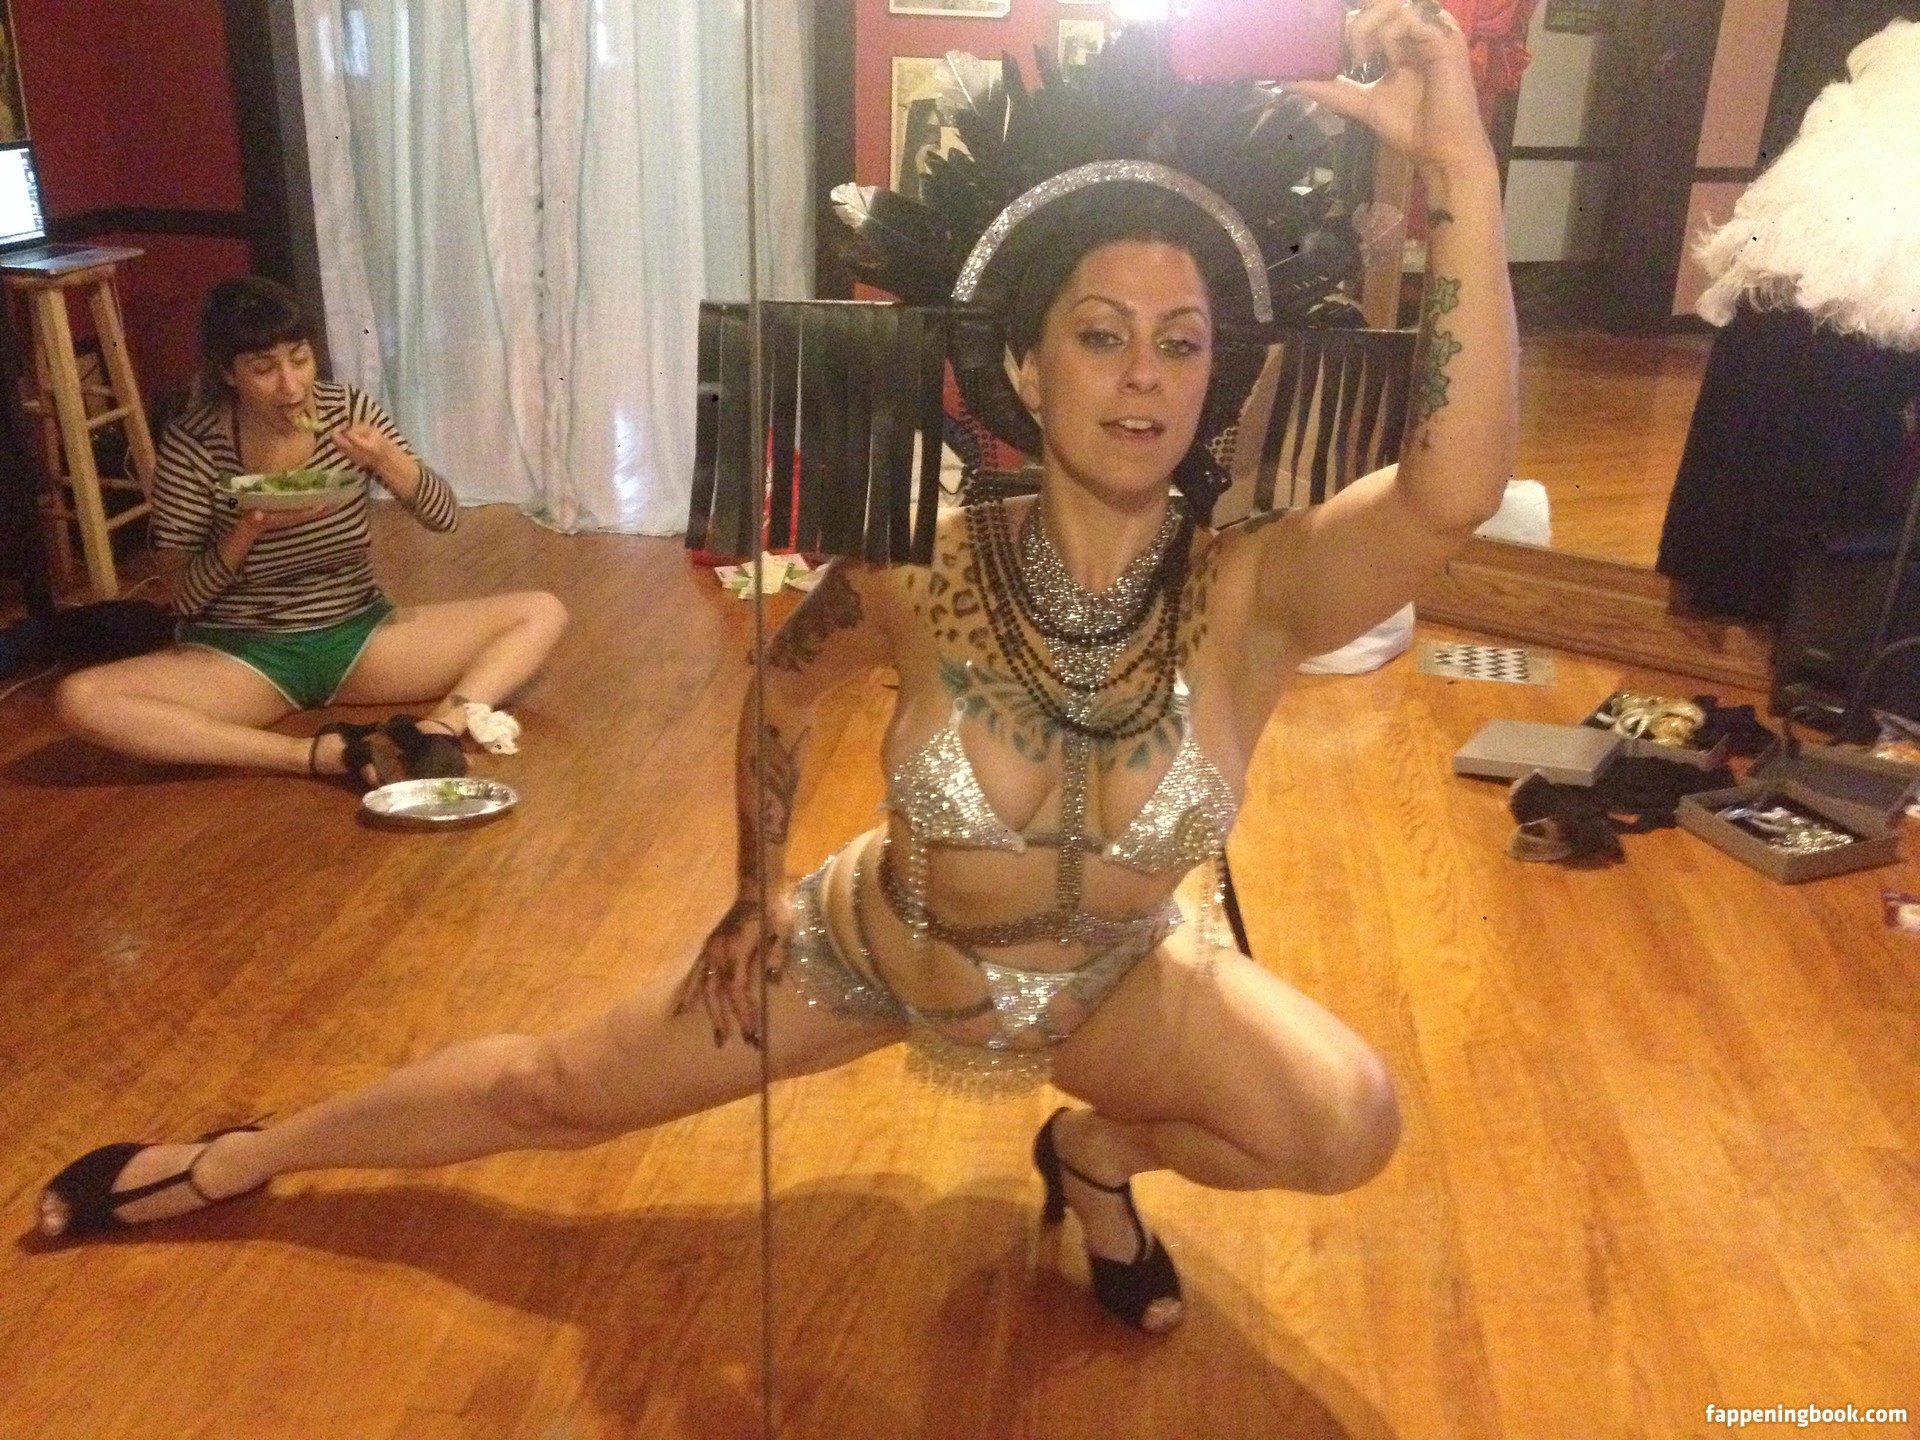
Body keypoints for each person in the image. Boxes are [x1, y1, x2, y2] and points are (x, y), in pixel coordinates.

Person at [38, 0, 1514, 1336]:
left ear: (1214, 372)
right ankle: (247, 1155)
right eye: (1101, 335)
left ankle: (1092, 1156)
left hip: (1113, 985)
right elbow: (787, 687)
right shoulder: (919, 566)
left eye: (1180, 344)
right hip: (878, 954)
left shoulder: (1254, 589)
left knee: (1346, 1120)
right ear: (1025, 365)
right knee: (553, 1091)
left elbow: (1454, 487)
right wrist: (754, 892)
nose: (1143, 375)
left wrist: (1458, 167)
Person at [52, 276, 568, 788]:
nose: (291, 386)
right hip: (244, 655)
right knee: (82, 699)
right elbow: (185, 596)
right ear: (228, 374)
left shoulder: (348, 411)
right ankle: (313, 755)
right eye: (264, 369)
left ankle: (435, 731)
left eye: (299, 359)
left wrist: (387, 460)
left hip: (359, 636)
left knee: (542, 612)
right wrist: (247, 529)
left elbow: (444, 517)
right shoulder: (195, 444)